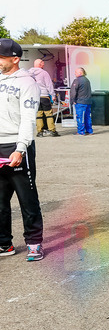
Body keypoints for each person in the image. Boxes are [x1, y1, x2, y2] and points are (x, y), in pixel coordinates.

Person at [0, 39, 43, 261]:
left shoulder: (27, 83)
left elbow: (28, 120)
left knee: (27, 198)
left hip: (17, 146)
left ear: (15, 59)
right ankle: (4, 243)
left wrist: (20, 148)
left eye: (0, 57)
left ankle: (34, 242)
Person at [27, 59, 58, 137]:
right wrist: (53, 95)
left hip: (35, 96)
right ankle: (52, 130)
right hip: (44, 95)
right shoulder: (44, 73)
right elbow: (49, 85)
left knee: (38, 114)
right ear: (40, 65)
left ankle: (39, 131)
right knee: (49, 114)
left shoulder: (28, 73)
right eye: (43, 64)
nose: (43, 65)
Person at [69, 67, 93, 136]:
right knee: (87, 117)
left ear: (80, 73)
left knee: (80, 117)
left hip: (80, 102)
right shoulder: (87, 80)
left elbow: (73, 92)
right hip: (88, 102)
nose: (75, 73)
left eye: (76, 72)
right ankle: (89, 131)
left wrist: (72, 100)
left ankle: (81, 132)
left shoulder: (77, 80)